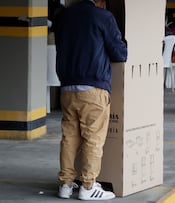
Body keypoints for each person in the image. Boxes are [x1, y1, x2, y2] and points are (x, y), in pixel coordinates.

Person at [54, 0, 127, 200]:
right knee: (93, 138)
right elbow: (120, 53)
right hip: (93, 89)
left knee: (69, 138)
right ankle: (88, 186)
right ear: (101, 1)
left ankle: (66, 185)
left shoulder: (63, 17)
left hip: (67, 88)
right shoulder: (103, 17)